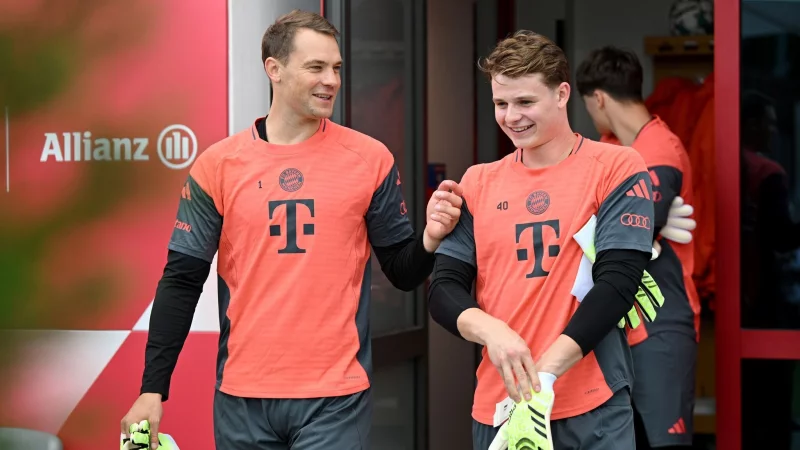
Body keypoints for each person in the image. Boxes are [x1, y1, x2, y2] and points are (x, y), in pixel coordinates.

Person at [120, 9, 464, 450]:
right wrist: (153, 388)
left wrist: (431, 237)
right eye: (316, 67)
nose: (332, 80)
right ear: (274, 70)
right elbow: (182, 280)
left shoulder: (369, 159)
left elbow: (402, 271)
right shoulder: (217, 166)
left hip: (335, 396)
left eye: (337, 68)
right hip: (242, 395)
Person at [428, 31, 655, 450]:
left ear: (562, 93)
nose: (512, 116)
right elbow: (443, 289)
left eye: (525, 102)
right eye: (501, 103)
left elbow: (618, 284)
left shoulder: (615, 167)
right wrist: (493, 332)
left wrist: (546, 374)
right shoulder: (478, 181)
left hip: (592, 408)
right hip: (502, 408)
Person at [575, 46, 700, 450]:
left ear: (598, 99)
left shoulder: (660, 150)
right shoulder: (609, 148)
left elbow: (633, 232)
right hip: (617, 322)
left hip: (661, 318)